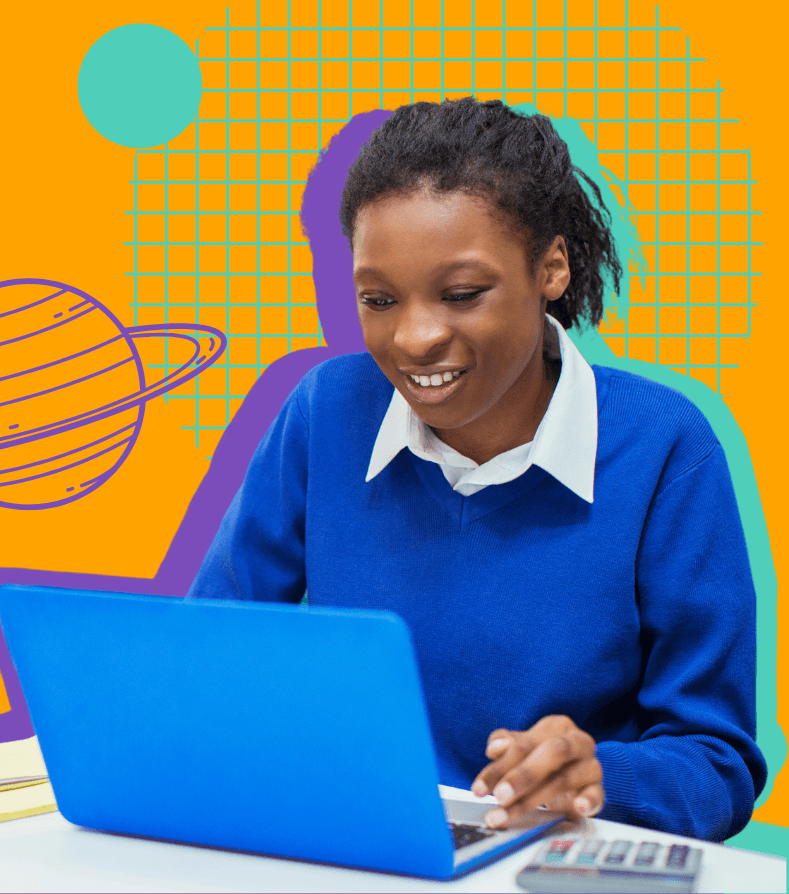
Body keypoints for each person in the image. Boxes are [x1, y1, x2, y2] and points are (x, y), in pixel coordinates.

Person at [188, 97, 767, 842]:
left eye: (462, 295)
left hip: (550, 860)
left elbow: (715, 763)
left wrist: (599, 779)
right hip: (353, 848)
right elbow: (211, 655)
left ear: (551, 267)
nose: (415, 337)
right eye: (378, 299)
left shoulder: (664, 449)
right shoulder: (327, 411)